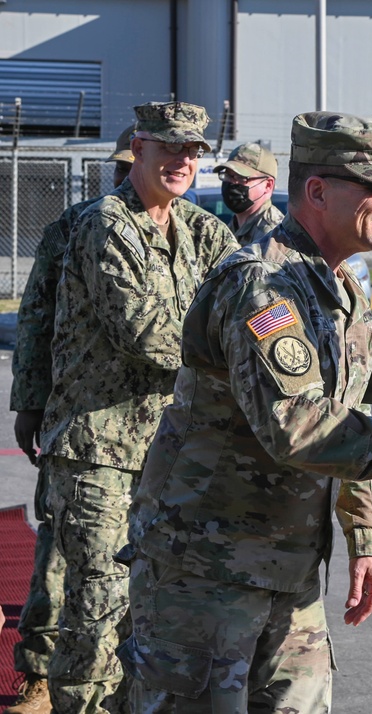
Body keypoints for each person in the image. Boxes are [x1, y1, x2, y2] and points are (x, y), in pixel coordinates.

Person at [120, 111, 372, 713]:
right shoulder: (263, 285)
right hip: (206, 570)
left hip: (292, 569)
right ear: (318, 192)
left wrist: (367, 540)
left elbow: (352, 419)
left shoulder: (344, 291)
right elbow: (298, 426)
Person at [38, 101, 238, 714]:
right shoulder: (106, 224)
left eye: (193, 152)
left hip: (170, 455)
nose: (183, 161)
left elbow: (254, 295)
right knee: (97, 610)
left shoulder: (203, 231)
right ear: (140, 149)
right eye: (171, 148)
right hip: (100, 450)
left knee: (154, 615)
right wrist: (237, 352)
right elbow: (149, 334)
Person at [7, 123, 135, 714]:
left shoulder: (196, 233)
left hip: (161, 434)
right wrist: (29, 401)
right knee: (61, 551)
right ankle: (39, 672)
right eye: (120, 163)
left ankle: (128, 680)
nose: (122, 173)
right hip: (80, 424)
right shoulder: (75, 225)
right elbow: (35, 315)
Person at [213, 141, 284, 245]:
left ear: (268, 185)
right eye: (228, 175)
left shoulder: (273, 235)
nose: (232, 183)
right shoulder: (231, 228)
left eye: (242, 177)